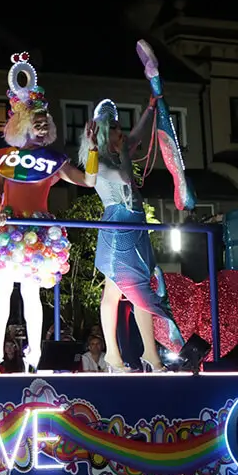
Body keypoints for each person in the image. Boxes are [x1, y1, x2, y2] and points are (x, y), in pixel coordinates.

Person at [0, 53, 98, 371]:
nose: (42, 129)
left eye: (45, 124)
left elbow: (89, 181)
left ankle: (36, 353)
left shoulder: (55, 163)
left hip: (36, 232)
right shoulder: (3, 158)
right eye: (37, 124)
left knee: (30, 293)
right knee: (2, 290)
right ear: (23, 125)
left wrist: (92, 150)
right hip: (7, 226)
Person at [84, 99, 183, 372]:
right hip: (118, 227)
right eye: (115, 127)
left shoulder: (117, 152)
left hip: (135, 225)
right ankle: (114, 355)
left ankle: (150, 353)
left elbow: (138, 135)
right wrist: (124, 151)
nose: (121, 131)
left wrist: (150, 108)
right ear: (105, 132)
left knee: (140, 289)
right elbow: (126, 178)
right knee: (114, 292)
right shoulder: (99, 162)